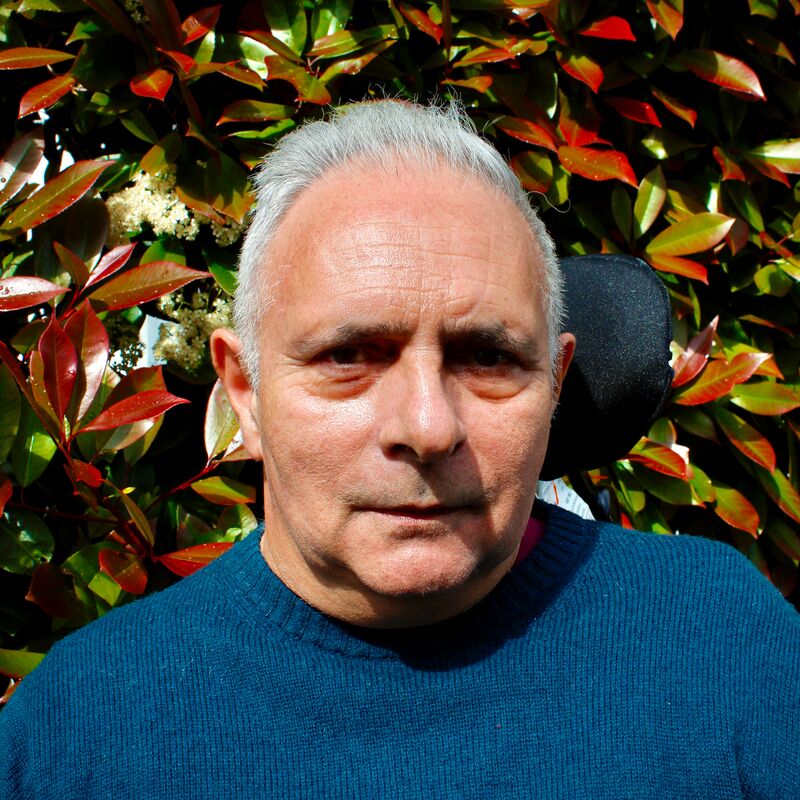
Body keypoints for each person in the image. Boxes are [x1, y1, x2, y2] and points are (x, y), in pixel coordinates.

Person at [1, 101, 798, 799]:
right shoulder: (80, 735)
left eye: (487, 358)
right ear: (243, 391)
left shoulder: (726, 648)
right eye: (349, 357)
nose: (426, 426)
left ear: (555, 384)